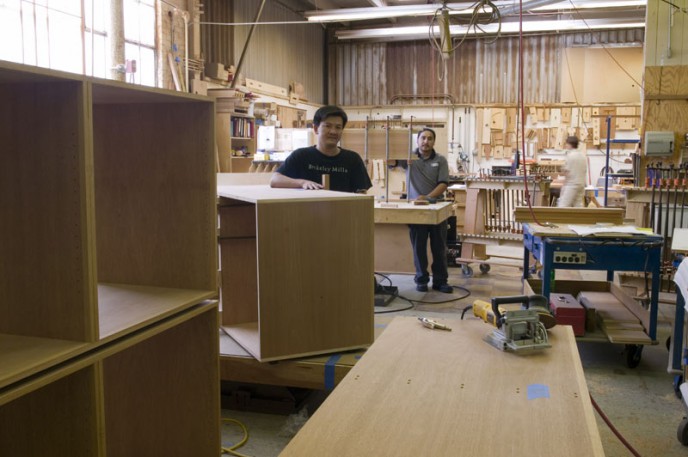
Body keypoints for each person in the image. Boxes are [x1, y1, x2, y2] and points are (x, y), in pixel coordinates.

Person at [270, 105, 372, 193]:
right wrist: (302, 182)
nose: (333, 131)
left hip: (342, 213)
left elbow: (362, 192)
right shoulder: (301, 156)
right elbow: (275, 180)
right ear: (315, 128)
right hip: (307, 213)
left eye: (338, 127)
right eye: (328, 126)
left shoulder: (352, 159)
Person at [407, 128, 452, 293]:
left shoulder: (440, 160)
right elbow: (390, 161)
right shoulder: (409, 158)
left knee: (439, 247)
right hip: (416, 211)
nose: (426, 141)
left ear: (434, 142)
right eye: (423, 138)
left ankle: (440, 281)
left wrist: (427, 197)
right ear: (417, 140)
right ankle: (421, 280)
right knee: (418, 247)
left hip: (436, 209)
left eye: (430, 138)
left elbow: (443, 183)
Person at [557, 135, 587, 207]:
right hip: (581, 185)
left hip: (572, 185)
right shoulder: (583, 156)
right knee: (577, 208)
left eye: (566, 144)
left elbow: (566, 172)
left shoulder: (570, 155)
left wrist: (564, 185)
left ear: (569, 144)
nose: (566, 146)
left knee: (562, 206)